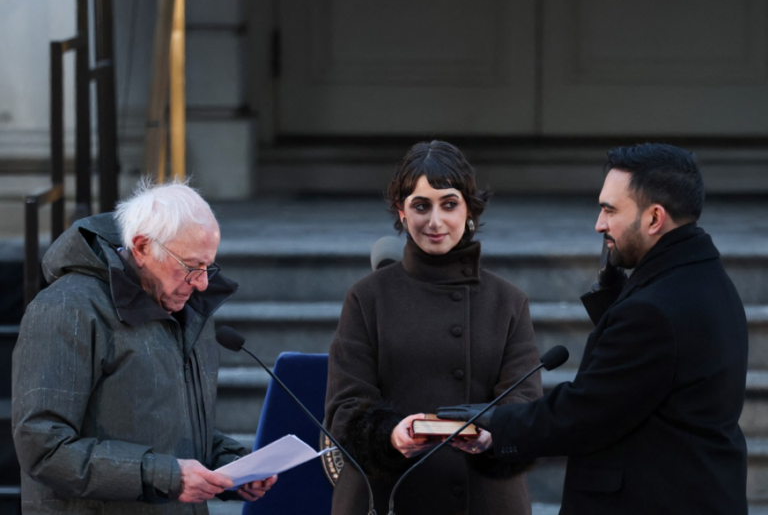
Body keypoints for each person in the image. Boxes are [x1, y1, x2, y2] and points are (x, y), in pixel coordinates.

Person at [438, 143, 749, 514]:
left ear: (654, 218)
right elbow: (645, 378)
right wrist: (617, 300)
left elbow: (587, 411)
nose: (599, 224)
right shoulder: (704, 276)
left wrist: (496, 423)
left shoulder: (653, 311)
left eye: (609, 209)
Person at [12, 180, 277, 514]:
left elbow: (177, 430)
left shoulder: (187, 308)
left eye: (208, 266)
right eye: (191, 266)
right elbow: (44, 446)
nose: (203, 283)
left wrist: (234, 467)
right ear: (141, 247)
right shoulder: (66, 309)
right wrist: (167, 475)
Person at [325, 140, 543, 515]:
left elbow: (525, 402)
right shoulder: (367, 297)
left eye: (449, 204)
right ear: (402, 212)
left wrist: (494, 435)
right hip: (387, 497)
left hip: (484, 499)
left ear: (469, 210)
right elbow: (344, 409)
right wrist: (392, 435)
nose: (435, 221)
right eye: (421, 206)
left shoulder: (508, 301)